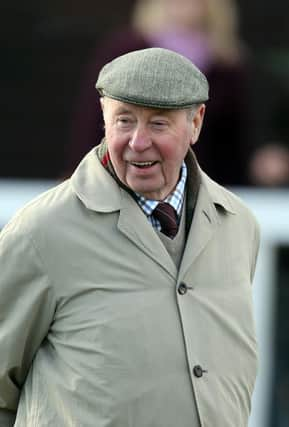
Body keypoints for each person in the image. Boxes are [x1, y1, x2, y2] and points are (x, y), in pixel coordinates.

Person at [0, 48, 260, 426]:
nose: (138, 142)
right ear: (103, 116)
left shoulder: (238, 225)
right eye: (124, 121)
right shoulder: (40, 232)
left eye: (158, 124)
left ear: (196, 123)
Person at [64, 0, 250, 186]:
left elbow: (231, 142)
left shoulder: (226, 63)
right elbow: (93, 118)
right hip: (124, 177)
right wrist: (81, 174)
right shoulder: (126, 48)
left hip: (195, 184)